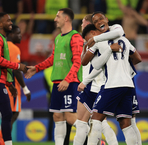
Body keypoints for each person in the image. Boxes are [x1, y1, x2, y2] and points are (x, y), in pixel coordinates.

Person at [24, 8, 83, 145]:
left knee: (70, 118)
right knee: (57, 116)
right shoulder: (58, 38)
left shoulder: (75, 37)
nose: (55, 19)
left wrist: (67, 80)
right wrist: (36, 68)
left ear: (66, 19)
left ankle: (95, 138)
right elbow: (52, 59)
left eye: (58, 16)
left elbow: (77, 62)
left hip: (70, 83)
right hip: (57, 83)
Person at [81, 23, 140, 145]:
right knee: (127, 124)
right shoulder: (124, 39)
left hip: (112, 85)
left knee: (96, 119)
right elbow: (138, 58)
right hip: (129, 84)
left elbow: (88, 63)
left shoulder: (99, 42)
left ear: (93, 34)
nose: (89, 43)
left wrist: (101, 49)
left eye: (88, 40)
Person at [73, 14, 119, 145]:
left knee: (83, 122)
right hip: (96, 86)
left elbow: (95, 65)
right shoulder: (98, 40)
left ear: (89, 26)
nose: (81, 25)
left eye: (83, 22)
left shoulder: (97, 41)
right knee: (99, 122)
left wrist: (85, 81)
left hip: (93, 85)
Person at [0, 24, 31, 145]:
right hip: (9, 85)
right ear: (11, 34)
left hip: (5, 84)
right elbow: (16, 70)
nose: (20, 36)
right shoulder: (13, 48)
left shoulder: (4, 44)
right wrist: (25, 88)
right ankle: (3, 140)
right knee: (11, 115)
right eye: (18, 33)